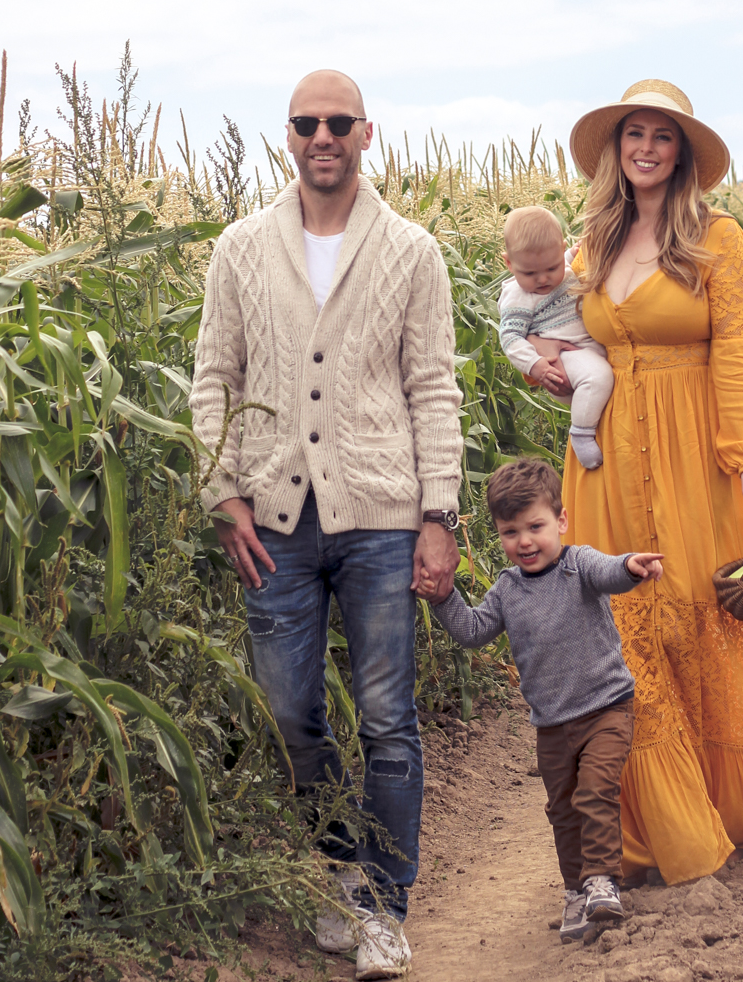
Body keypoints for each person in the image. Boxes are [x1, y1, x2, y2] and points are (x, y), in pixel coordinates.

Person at [189, 69, 463, 981]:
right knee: (287, 712)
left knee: (389, 717)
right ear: (290, 135)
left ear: (366, 133)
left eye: (338, 122)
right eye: (306, 123)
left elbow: (433, 386)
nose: (322, 136)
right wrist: (217, 492)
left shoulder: (411, 250)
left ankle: (387, 909)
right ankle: (344, 869)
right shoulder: (239, 248)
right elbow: (213, 380)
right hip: (272, 518)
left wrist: (440, 514)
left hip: (383, 518)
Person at [549, 78, 743, 884]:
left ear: (682, 154)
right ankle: (662, 825)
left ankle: (732, 803)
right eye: (633, 133)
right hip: (608, 453)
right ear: (616, 148)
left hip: (691, 448)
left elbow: (737, 349)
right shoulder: (591, 243)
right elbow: (579, 349)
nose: (645, 148)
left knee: (701, 617)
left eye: (662, 136)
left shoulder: (717, 238)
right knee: (626, 627)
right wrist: (560, 375)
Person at [425, 458, 663, 943]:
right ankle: (577, 890)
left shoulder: (580, 566)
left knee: (595, 790)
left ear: (562, 521)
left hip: (606, 708)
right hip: (552, 724)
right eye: (511, 532)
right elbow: (472, 631)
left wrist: (631, 567)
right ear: (498, 534)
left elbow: (610, 572)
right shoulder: (508, 590)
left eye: (535, 526)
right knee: (561, 809)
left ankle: (601, 881)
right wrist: (443, 597)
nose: (525, 541)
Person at [498, 205, 615, 469]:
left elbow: (567, 259)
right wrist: (535, 365)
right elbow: (510, 338)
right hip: (563, 361)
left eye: (551, 268)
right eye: (529, 273)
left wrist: (576, 252)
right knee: (599, 377)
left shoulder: (560, 265)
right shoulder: (518, 296)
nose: (542, 279)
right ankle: (582, 434)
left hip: (584, 351)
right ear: (508, 263)